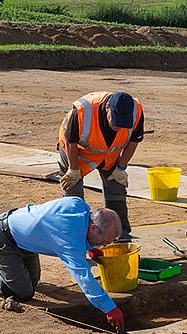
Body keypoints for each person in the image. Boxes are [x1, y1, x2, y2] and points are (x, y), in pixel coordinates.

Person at [0, 196, 125, 332]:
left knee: (33, 281)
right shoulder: (69, 240)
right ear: (94, 228)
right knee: (22, 292)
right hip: (3, 238)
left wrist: (90, 247)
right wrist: (109, 308)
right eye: (103, 241)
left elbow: (74, 231)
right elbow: (84, 279)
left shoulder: (79, 205)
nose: (103, 245)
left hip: (24, 243)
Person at [58, 91, 144, 240]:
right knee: (74, 197)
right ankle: (76, 235)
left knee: (116, 188)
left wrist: (121, 168)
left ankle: (119, 233)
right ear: (108, 108)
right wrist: (73, 170)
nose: (118, 127)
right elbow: (71, 142)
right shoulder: (83, 110)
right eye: (116, 122)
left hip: (110, 153)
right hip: (77, 153)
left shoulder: (136, 109)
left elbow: (134, 140)